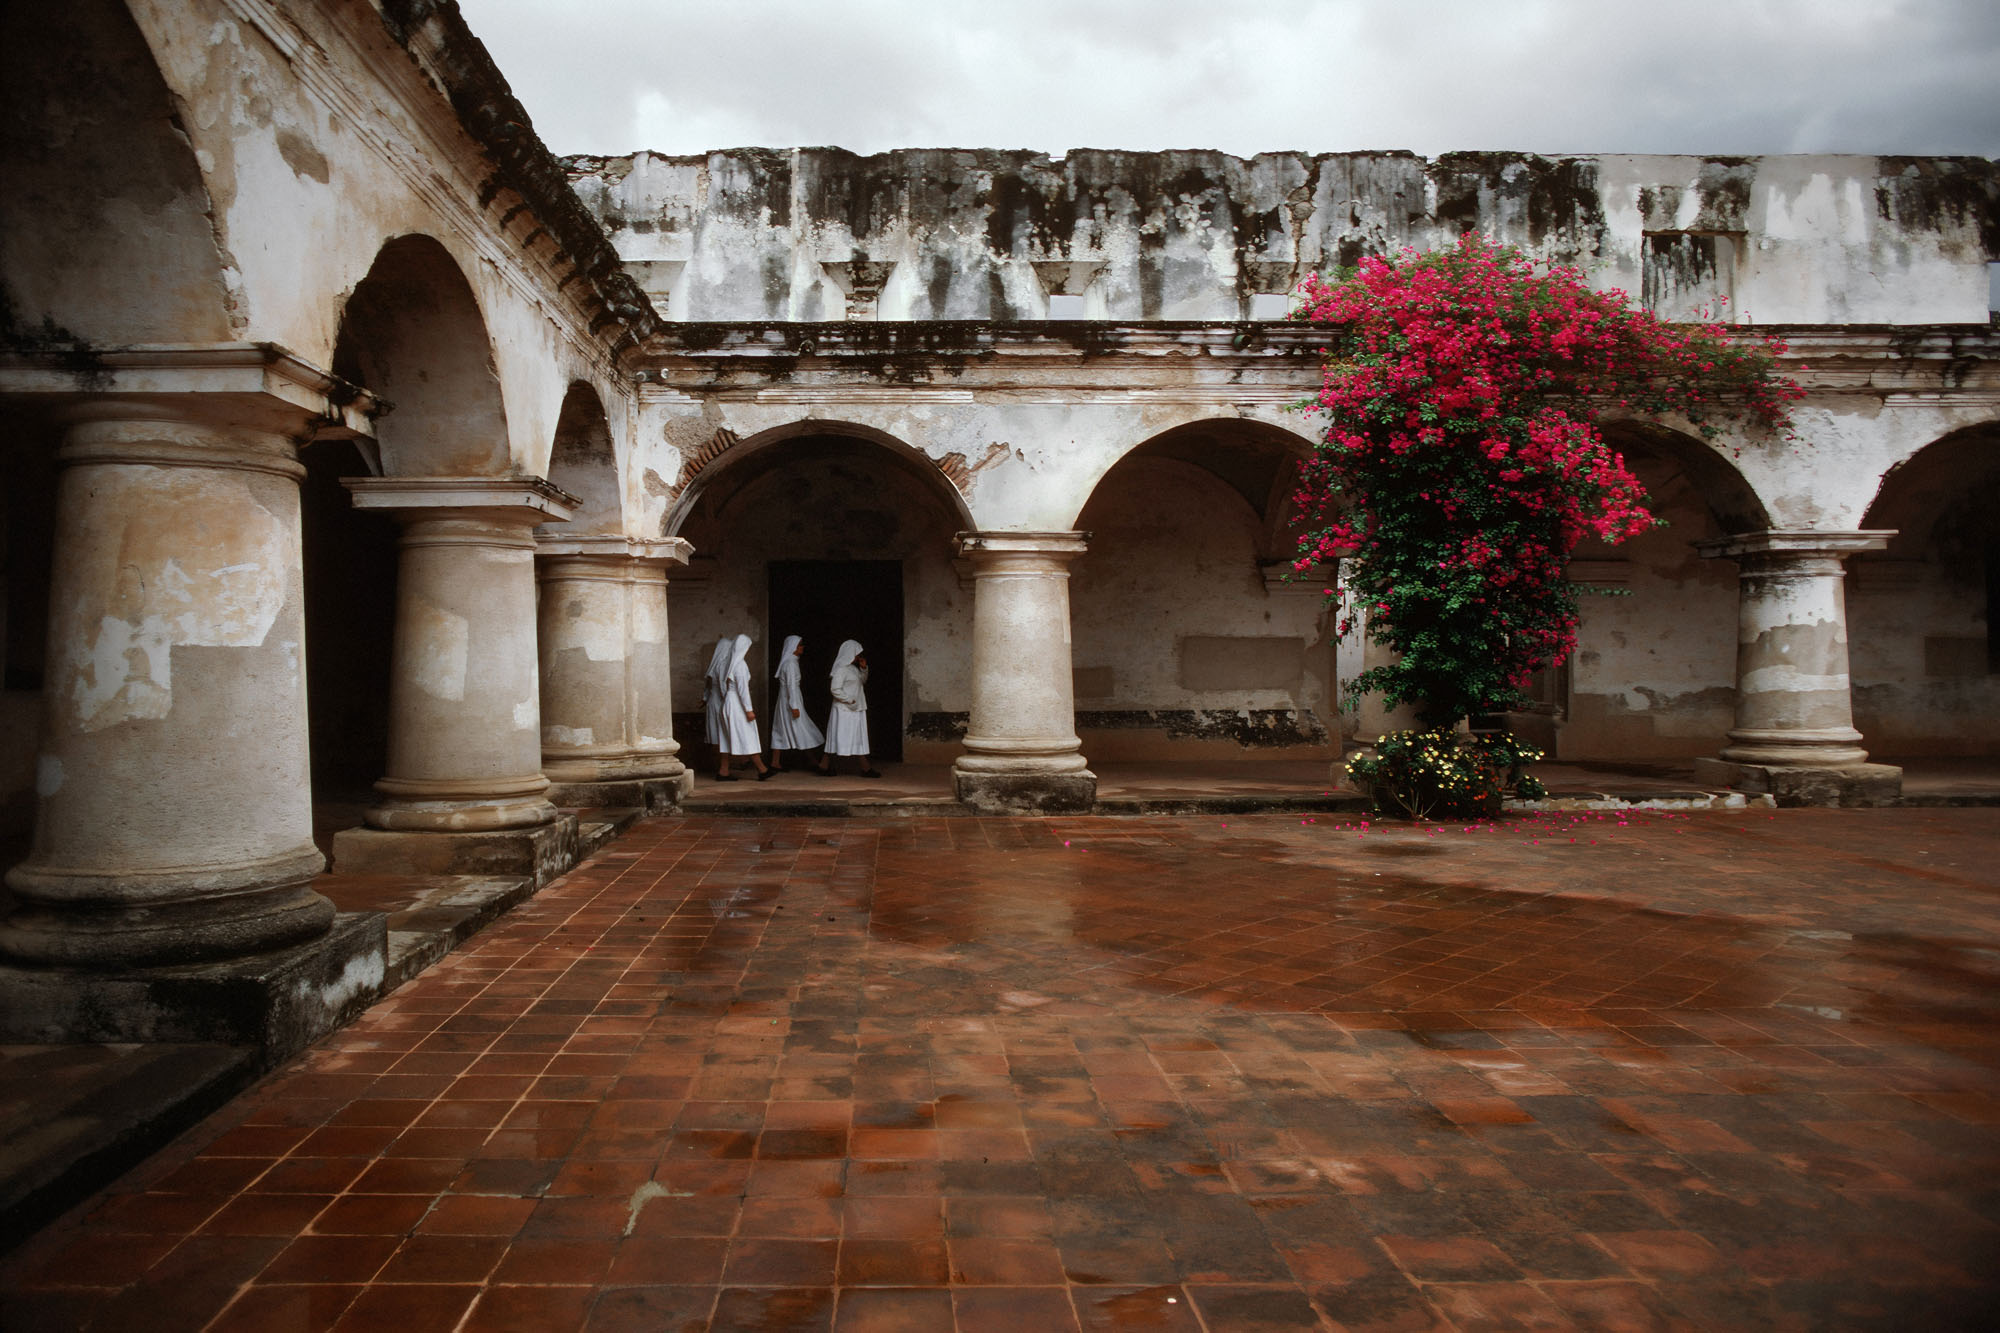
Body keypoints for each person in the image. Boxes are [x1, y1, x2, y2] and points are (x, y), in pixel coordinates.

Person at [817, 639, 880, 778]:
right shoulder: (841, 669)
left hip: (855, 708)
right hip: (844, 710)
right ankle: (826, 765)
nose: (858, 656)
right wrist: (849, 700)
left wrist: (864, 669)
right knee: (838, 737)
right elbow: (835, 689)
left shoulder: (853, 668)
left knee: (857, 736)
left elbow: (862, 682)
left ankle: (863, 767)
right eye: (857, 653)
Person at [716, 633, 773, 781]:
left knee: (726, 738)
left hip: (727, 702)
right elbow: (743, 690)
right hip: (736, 704)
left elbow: (722, 686)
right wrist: (748, 709)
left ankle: (723, 771)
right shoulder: (740, 665)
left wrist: (726, 699)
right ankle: (762, 769)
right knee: (747, 735)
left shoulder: (724, 663)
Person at [767, 634, 823, 768]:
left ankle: (775, 762)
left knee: (781, 729)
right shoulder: (791, 664)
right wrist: (794, 706)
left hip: (784, 700)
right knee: (802, 728)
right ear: (793, 647)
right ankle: (813, 761)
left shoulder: (789, 662)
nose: (802, 647)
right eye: (800, 645)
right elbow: (791, 686)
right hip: (791, 701)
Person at [700, 635, 732, 773]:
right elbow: (723, 688)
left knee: (715, 735)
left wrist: (704, 699)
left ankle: (718, 766)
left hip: (712, 702)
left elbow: (707, 688)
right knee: (722, 735)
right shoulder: (723, 665)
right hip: (720, 703)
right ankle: (722, 768)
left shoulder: (713, 665)